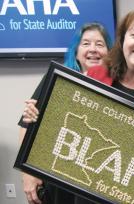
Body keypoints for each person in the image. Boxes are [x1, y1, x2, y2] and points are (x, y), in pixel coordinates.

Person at [19, 22, 113, 204]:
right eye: (86, 43)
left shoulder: (117, 87)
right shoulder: (56, 79)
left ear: (109, 52)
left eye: (100, 44)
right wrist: (28, 173)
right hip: (55, 181)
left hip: (95, 184)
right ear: (76, 51)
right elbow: (27, 126)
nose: (93, 49)